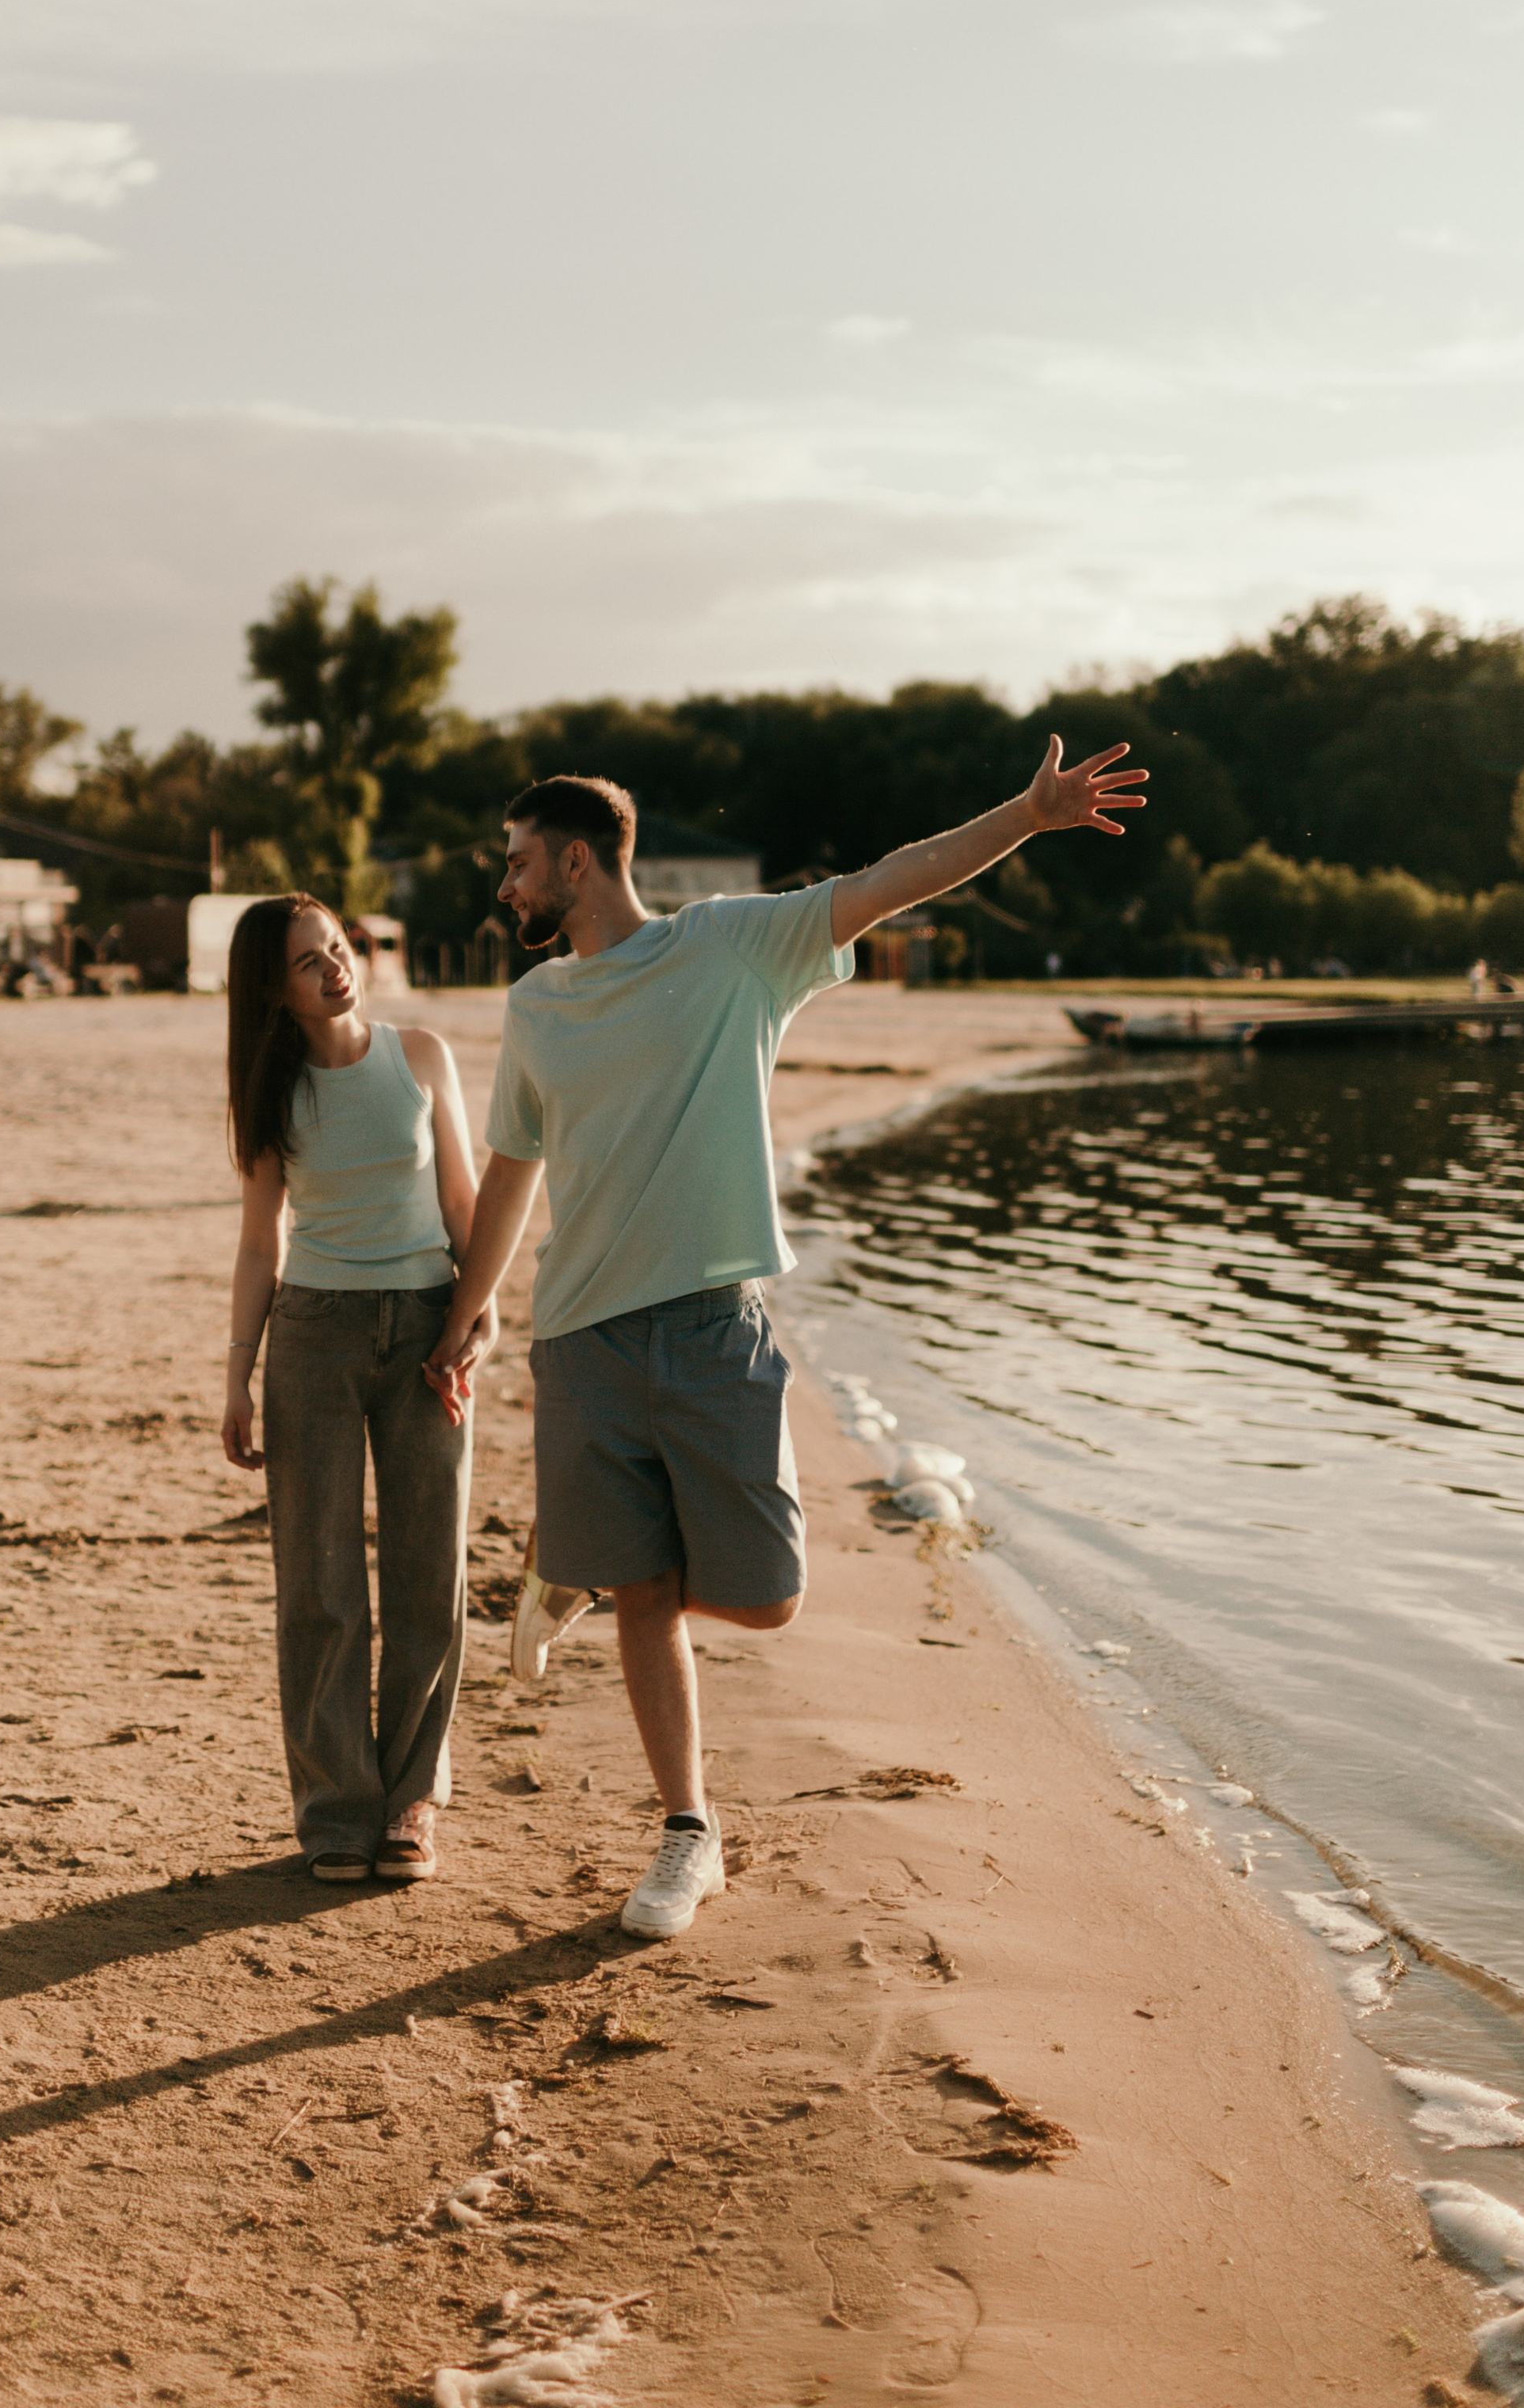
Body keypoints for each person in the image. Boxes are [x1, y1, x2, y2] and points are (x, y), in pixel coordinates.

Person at [426, 737, 1145, 1940]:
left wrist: (1024, 816)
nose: (505, 888)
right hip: (585, 1340)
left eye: (517, 864)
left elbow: (892, 881)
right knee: (652, 1595)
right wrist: (467, 1316)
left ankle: (580, 1566)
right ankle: (686, 1835)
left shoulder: (730, 949)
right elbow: (513, 1172)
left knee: (768, 1601)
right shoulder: (536, 1006)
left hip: (716, 1328)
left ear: (577, 859)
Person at [219, 895, 494, 1884]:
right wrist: (238, 1373)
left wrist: (478, 1316)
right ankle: (338, 1811)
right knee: (321, 1585)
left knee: (429, 1573)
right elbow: (261, 1242)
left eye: (338, 948)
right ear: (271, 988)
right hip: (314, 1339)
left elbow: (463, 1202)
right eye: (307, 962)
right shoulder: (273, 1089)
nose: (336, 968)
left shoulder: (420, 1055)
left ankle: (412, 1801)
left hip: (426, 1329)